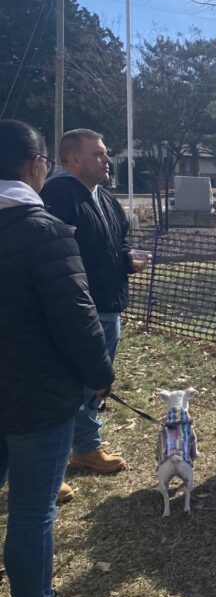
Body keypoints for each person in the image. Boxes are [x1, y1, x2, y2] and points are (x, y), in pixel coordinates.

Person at [0, 119, 115, 597]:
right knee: (32, 509)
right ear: (34, 166)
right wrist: (100, 374)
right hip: (34, 395)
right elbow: (77, 318)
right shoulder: (42, 230)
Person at [41, 128, 144, 476]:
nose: (107, 160)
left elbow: (116, 242)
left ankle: (85, 447)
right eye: (98, 154)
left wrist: (128, 257)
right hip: (79, 309)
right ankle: (74, 450)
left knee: (96, 382)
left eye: (106, 152)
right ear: (72, 159)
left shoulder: (103, 196)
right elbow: (52, 254)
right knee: (77, 382)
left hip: (107, 304)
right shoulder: (58, 194)